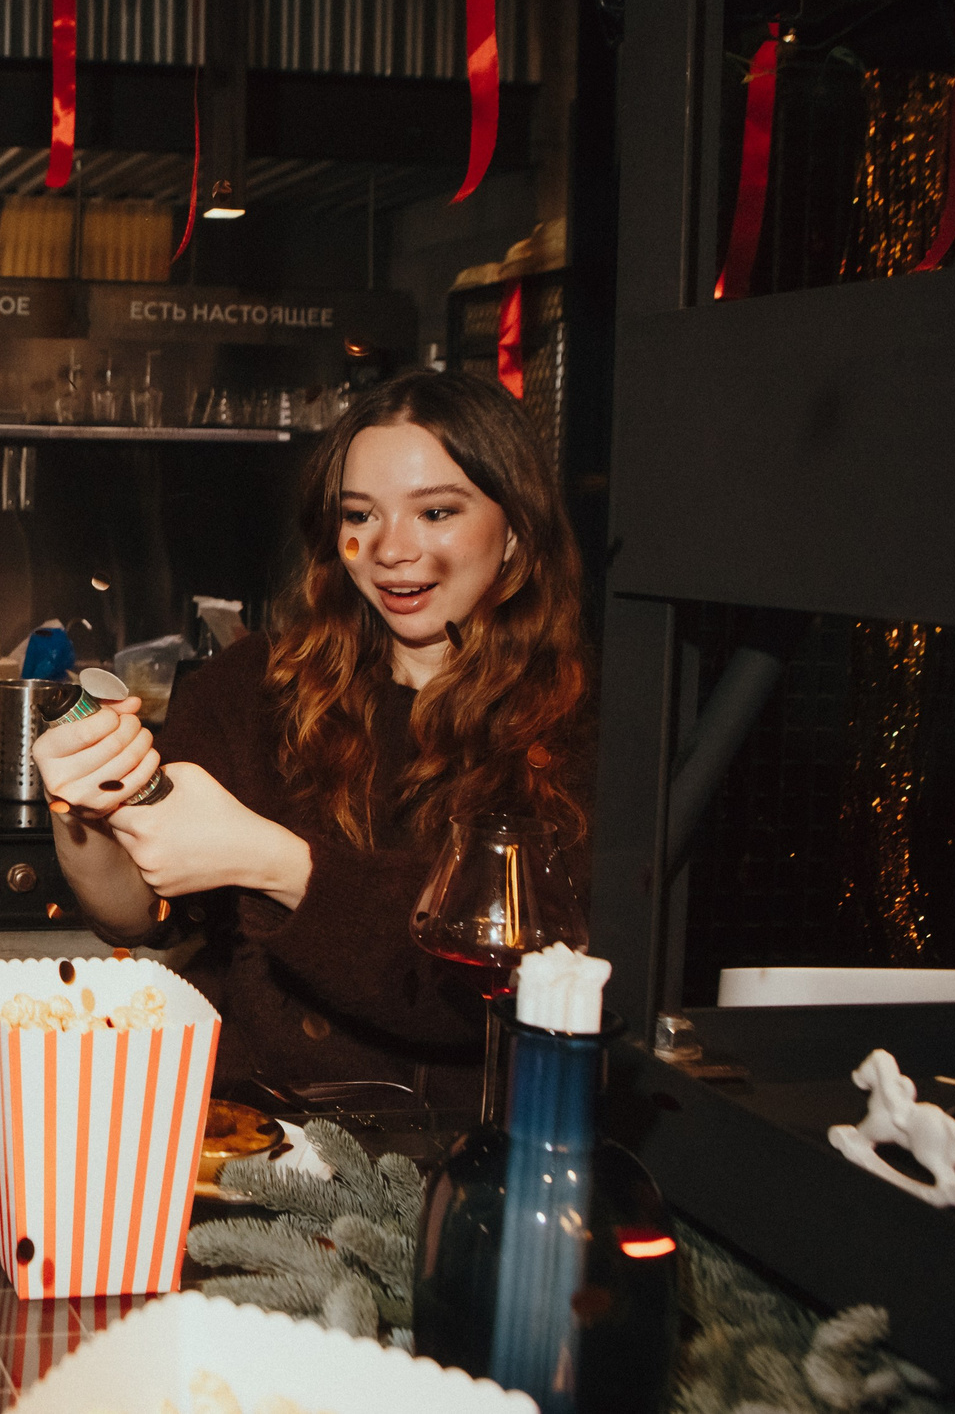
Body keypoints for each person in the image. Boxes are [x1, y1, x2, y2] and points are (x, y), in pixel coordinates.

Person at [35, 370, 592, 1107]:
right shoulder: (250, 687)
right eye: (361, 514)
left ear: (515, 528)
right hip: (248, 1136)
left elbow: (495, 990)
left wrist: (277, 863)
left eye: (435, 512)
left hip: (465, 1143)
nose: (390, 548)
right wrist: (82, 807)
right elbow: (141, 915)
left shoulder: (579, 726)